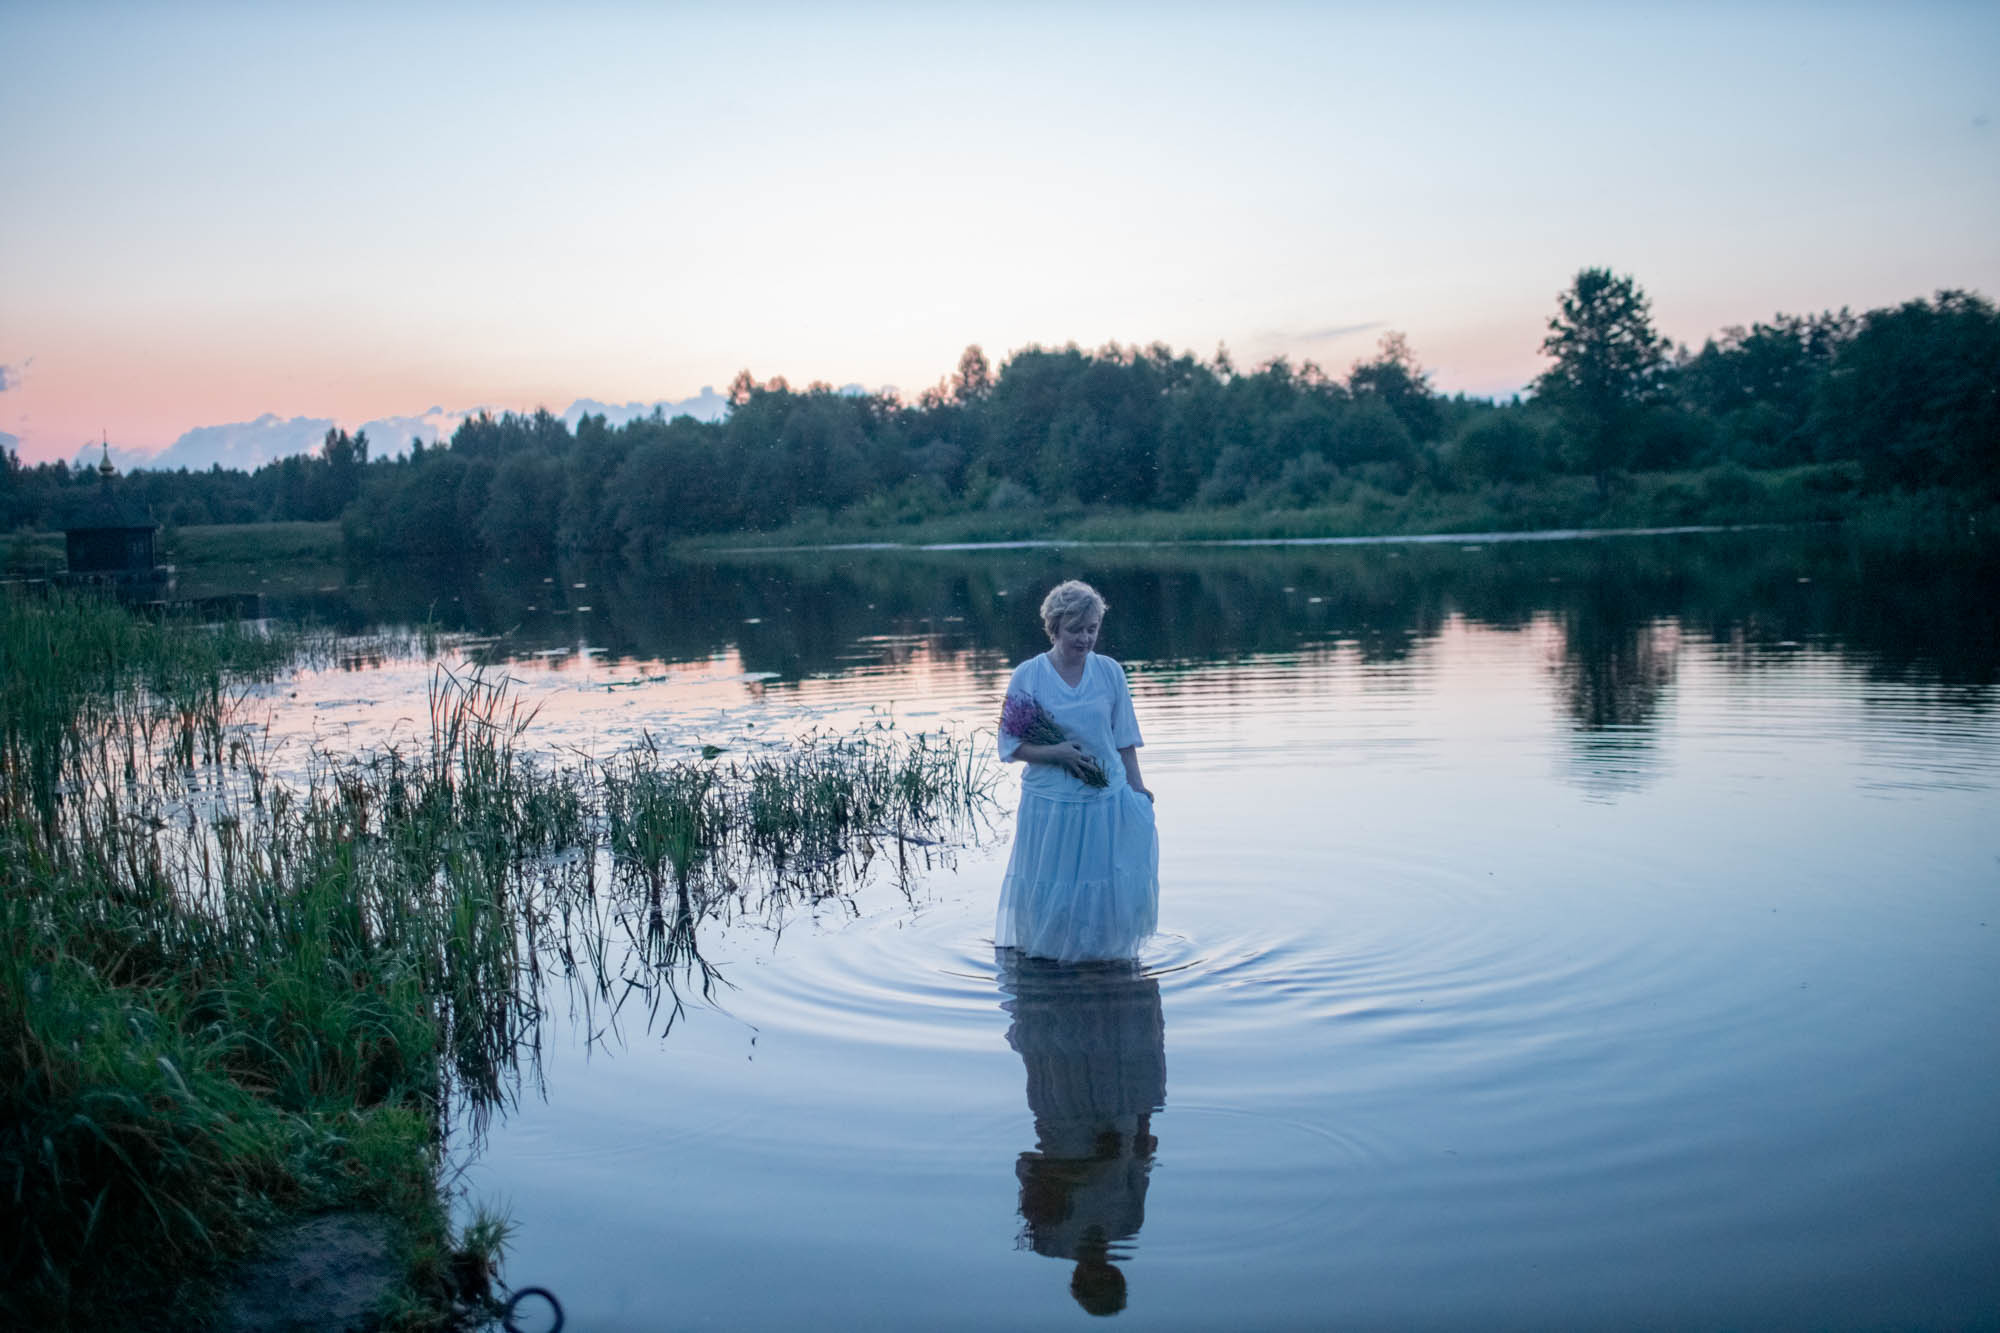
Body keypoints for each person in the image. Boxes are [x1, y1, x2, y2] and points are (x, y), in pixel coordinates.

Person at [995, 580, 1158, 961]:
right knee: (1054, 889)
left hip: (1104, 801)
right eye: (1075, 630)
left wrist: (1137, 789)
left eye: (1092, 628)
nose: (1085, 638)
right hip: (1050, 807)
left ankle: (1099, 965)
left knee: (1103, 887)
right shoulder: (1029, 675)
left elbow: (1124, 740)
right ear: (1054, 628)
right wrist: (1058, 754)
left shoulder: (1110, 672)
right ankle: (1053, 958)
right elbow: (1011, 745)